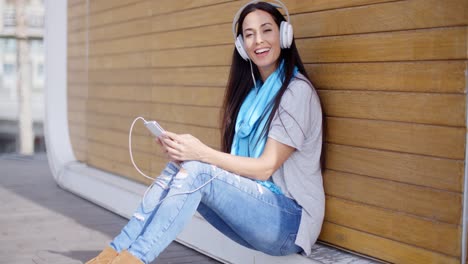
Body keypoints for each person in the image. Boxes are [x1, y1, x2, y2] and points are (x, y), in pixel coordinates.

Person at [86, 1, 324, 263]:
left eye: (267, 30)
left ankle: (132, 259)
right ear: (241, 47)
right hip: (261, 210)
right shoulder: (252, 97)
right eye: (249, 34)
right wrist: (188, 154)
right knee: (184, 167)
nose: (258, 41)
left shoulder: (296, 92)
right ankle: (113, 252)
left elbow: (265, 168)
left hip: (289, 222)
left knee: (197, 170)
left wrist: (202, 153)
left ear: (284, 34)